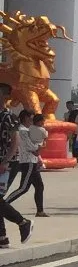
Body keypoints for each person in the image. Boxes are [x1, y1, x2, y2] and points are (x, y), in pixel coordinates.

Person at [0, 86, 33, 246]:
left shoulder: (9, 117)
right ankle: (2, 237)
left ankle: (23, 222)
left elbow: (15, 142)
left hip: (7, 164)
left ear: (5, 97)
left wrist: (5, 161)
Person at [6, 111, 47, 217]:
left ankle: (40, 211)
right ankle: (4, 204)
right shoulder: (22, 131)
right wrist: (40, 146)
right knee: (23, 188)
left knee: (39, 186)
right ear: (25, 118)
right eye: (31, 118)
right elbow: (31, 147)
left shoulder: (28, 130)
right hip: (27, 161)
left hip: (32, 161)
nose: (32, 121)